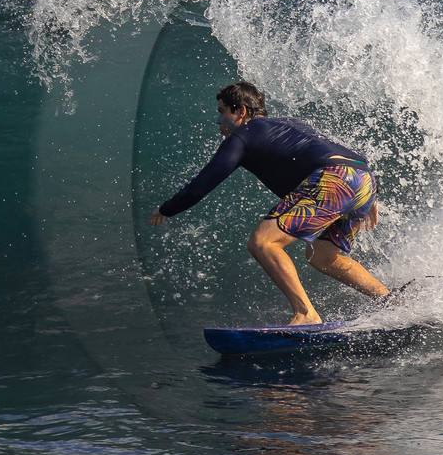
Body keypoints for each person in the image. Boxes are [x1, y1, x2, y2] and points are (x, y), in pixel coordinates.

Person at [148, 81, 390, 325]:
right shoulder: (291, 125)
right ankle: (388, 301)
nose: (219, 120)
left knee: (263, 242)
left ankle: (306, 314)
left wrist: (167, 208)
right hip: (362, 177)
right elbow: (337, 152)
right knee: (322, 257)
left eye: (222, 111)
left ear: (241, 111)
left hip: (335, 179)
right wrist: (366, 191)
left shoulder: (242, 136)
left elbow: (202, 185)